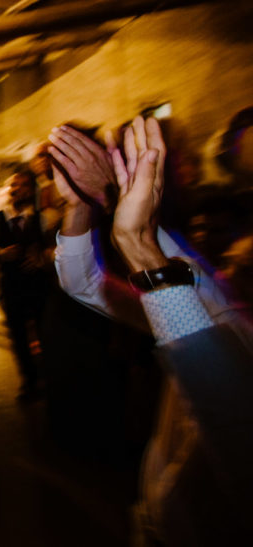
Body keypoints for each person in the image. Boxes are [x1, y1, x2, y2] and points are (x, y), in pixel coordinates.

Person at [50, 117, 252, 545]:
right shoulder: (225, 299)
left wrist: (138, 244)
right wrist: (86, 203)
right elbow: (83, 283)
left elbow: (229, 418)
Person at [0, 168, 48, 399]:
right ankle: (28, 380)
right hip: (12, 287)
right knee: (19, 337)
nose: (15, 189)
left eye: (22, 185)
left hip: (38, 286)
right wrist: (1, 254)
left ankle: (47, 378)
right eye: (13, 185)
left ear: (32, 189)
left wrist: (42, 256)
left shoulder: (42, 217)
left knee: (44, 334)